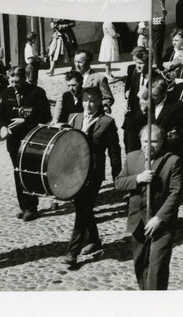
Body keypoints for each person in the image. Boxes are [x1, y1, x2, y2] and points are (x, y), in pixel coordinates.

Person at [115, 124, 183, 290]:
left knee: (156, 269)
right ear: (140, 141)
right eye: (145, 140)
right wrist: (138, 178)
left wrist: (159, 219)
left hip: (161, 225)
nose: (149, 145)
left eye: (154, 141)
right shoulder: (132, 157)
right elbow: (118, 182)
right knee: (141, 266)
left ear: (161, 142)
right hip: (138, 222)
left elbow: (176, 194)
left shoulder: (172, 161)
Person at [60, 87, 122, 267]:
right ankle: (94, 240)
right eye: (85, 101)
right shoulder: (74, 118)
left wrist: (116, 175)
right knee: (83, 207)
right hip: (76, 172)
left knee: (82, 210)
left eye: (92, 101)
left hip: (94, 174)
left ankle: (72, 252)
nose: (88, 104)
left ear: (98, 103)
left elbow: (114, 152)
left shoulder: (106, 122)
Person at [0, 66, 51, 221]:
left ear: (24, 78)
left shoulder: (37, 92)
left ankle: (32, 207)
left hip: (32, 139)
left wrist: (25, 120)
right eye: (11, 81)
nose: (14, 84)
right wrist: (2, 128)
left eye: (17, 81)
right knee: (18, 171)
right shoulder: (6, 93)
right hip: (13, 140)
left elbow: (46, 115)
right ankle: (23, 206)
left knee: (29, 171)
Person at [73, 49, 114, 114]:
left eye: (80, 62)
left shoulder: (99, 78)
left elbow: (108, 98)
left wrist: (105, 105)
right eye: (75, 61)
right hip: (74, 114)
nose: (77, 65)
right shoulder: (71, 77)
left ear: (88, 62)